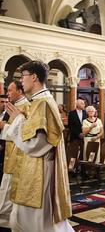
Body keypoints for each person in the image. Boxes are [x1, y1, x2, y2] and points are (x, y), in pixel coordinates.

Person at [3, 60, 73, 232]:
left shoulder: (43, 103)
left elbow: (36, 145)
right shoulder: (37, 101)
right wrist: (17, 121)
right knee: (25, 217)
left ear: (34, 77)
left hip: (40, 170)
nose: (22, 81)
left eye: (24, 76)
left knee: (39, 221)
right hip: (32, 167)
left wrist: (18, 120)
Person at [0, 81, 30, 231]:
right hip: (11, 152)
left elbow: (24, 133)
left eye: (11, 90)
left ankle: (7, 219)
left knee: (10, 188)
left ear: (20, 90)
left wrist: (3, 126)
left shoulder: (26, 106)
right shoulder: (16, 105)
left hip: (19, 155)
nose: (8, 93)